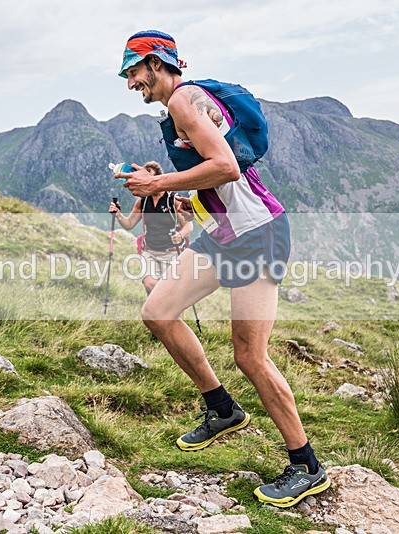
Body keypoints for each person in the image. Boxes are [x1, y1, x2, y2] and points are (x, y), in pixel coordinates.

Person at [115, 30, 330, 507]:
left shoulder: (183, 100)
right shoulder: (188, 102)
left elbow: (228, 167)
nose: (131, 83)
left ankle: (306, 466)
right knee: (158, 311)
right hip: (225, 235)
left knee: (250, 356)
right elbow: (213, 171)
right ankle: (222, 409)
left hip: (257, 234)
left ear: (155, 63)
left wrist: (159, 185)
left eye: (133, 71)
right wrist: (162, 185)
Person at [109, 161, 193, 294]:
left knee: (172, 294)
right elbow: (129, 224)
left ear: (158, 179)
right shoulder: (143, 201)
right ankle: (156, 312)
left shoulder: (172, 200)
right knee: (149, 284)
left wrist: (180, 235)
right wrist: (118, 215)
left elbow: (189, 225)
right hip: (150, 251)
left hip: (171, 253)